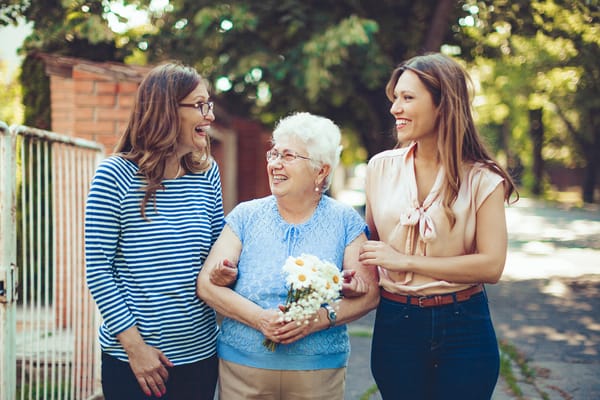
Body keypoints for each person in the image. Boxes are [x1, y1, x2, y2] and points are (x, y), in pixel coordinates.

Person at [359, 53, 518, 400]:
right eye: (395, 98)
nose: (394, 109)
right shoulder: (379, 168)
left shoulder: (483, 178)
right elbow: (370, 247)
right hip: (395, 324)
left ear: (443, 103)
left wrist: (407, 261)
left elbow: (491, 265)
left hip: (466, 326)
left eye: (408, 98)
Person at [196, 112, 379, 400]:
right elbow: (206, 284)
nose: (275, 164)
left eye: (289, 156)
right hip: (242, 369)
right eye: (274, 154)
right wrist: (260, 319)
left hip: (318, 371)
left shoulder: (345, 221)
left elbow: (370, 294)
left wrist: (318, 319)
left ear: (321, 171)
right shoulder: (246, 216)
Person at [85, 62, 223, 400]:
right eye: (200, 105)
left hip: (201, 356)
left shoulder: (207, 175)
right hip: (135, 363)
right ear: (166, 111)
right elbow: (99, 270)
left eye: (210, 105)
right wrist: (136, 349)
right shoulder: (113, 176)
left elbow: (219, 256)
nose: (210, 116)